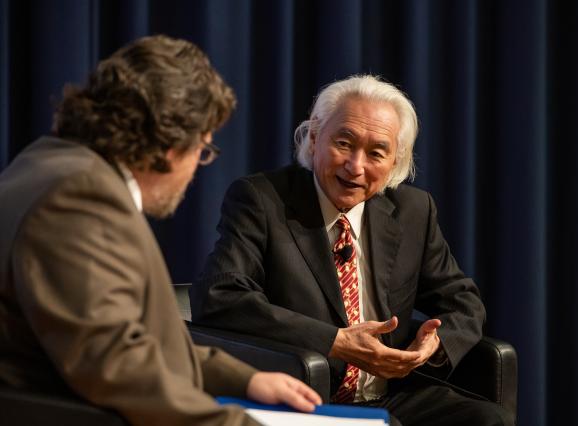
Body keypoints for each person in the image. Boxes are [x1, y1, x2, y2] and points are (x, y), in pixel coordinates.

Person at [0, 35, 321, 426]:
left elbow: (136, 339)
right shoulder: (80, 197)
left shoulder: (49, 162)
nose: (198, 167)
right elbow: (117, 366)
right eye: (203, 149)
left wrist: (247, 380)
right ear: (169, 143)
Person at [191, 75, 513, 425]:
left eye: (376, 152)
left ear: (395, 161)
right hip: (307, 397)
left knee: (487, 419)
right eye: (344, 143)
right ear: (314, 137)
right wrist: (334, 341)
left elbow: (463, 301)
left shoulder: (413, 211)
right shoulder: (262, 201)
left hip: (391, 397)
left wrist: (431, 348)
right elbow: (221, 295)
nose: (356, 166)